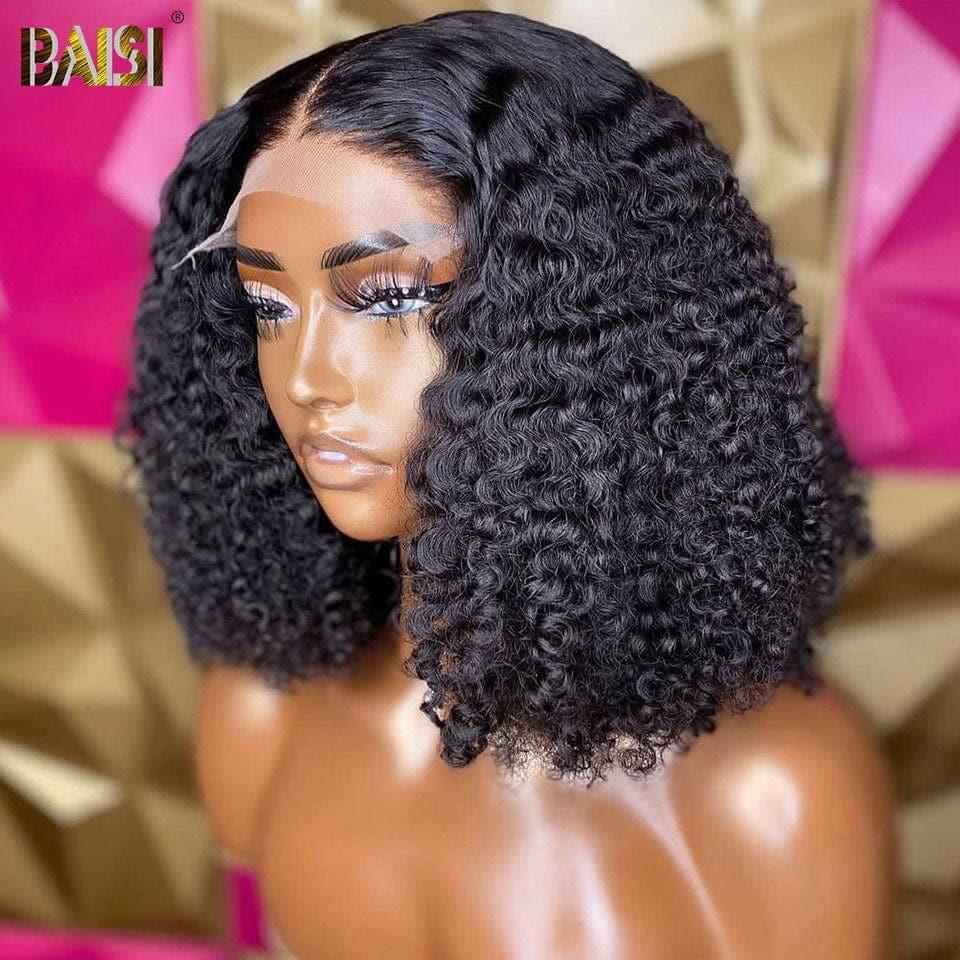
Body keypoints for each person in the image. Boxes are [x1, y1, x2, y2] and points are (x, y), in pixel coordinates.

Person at [117, 10, 896, 958]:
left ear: (583, 325)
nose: (307, 376)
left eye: (391, 296)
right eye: (267, 303)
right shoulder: (265, 706)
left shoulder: (774, 793)